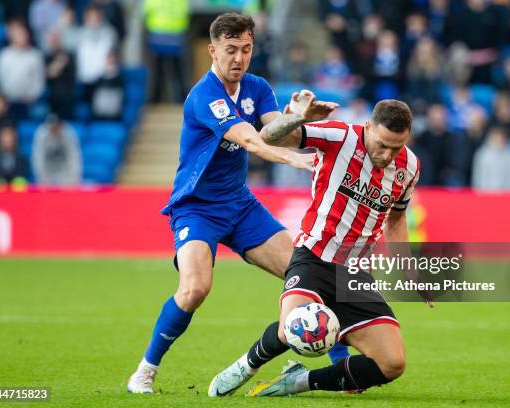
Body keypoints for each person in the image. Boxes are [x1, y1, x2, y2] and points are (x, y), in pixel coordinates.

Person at [126, 13, 349, 394]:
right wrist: (294, 159)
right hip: (196, 207)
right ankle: (145, 370)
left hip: (241, 206)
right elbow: (251, 140)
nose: (238, 58)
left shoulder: (257, 87)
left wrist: (297, 118)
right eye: (230, 50)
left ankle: (343, 370)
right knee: (195, 289)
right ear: (213, 50)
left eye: (246, 50)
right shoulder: (203, 96)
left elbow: (271, 128)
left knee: (311, 277)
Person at [209, 98, 428, 397]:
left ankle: (297, 382)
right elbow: (270, 137)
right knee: (293, 329)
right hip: (313, 258)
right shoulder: (339, 136)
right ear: (367, 127)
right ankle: (247, 365)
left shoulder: (410, 166)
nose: (388, 155)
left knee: (392, 363)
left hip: (354, 275)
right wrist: (298, 117)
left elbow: (397, 218)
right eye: (383, 144)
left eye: (397, 147)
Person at [31, 114, 81, 186]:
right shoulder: (41, 133)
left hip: (65, 178)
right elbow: (37, 158)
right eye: (52, 127)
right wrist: (42, 180)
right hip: (46, 178)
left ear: (61, 125)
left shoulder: (69, 133)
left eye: (56, 126)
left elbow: (74, 158)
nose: (54, 129)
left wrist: (73, 180)